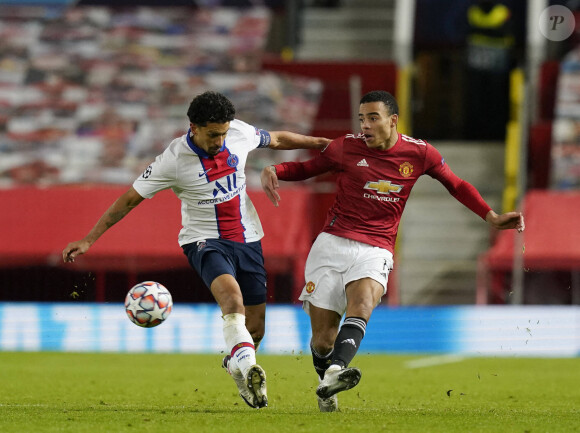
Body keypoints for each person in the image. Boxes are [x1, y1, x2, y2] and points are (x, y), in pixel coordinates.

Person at [260, 90, 525, 412]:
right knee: (322, 340)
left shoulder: (420, 153)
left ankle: (336, 370)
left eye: (373, 118)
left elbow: (456, 184)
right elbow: (308, 169)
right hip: (331, 245)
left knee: (362, 305)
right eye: (362, 119)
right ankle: (327, 381)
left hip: (377, 248)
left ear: (392, 120)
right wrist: (276, 171)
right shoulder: (346, 147)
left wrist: (491, 216)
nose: (365, 126)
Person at [62, 90, 330, 409]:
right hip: (203, 240)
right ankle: (250, 368)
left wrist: (321, 143)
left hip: (248, 238)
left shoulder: (239, 133)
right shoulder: (172, 161)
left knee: (255, 328)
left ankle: (236, 364)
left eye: (224, 133)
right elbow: (129, 200)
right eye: (214, 134)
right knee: (232, 299)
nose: (220, 140)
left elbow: (276, 139)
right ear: (194, 127)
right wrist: (90, 239)